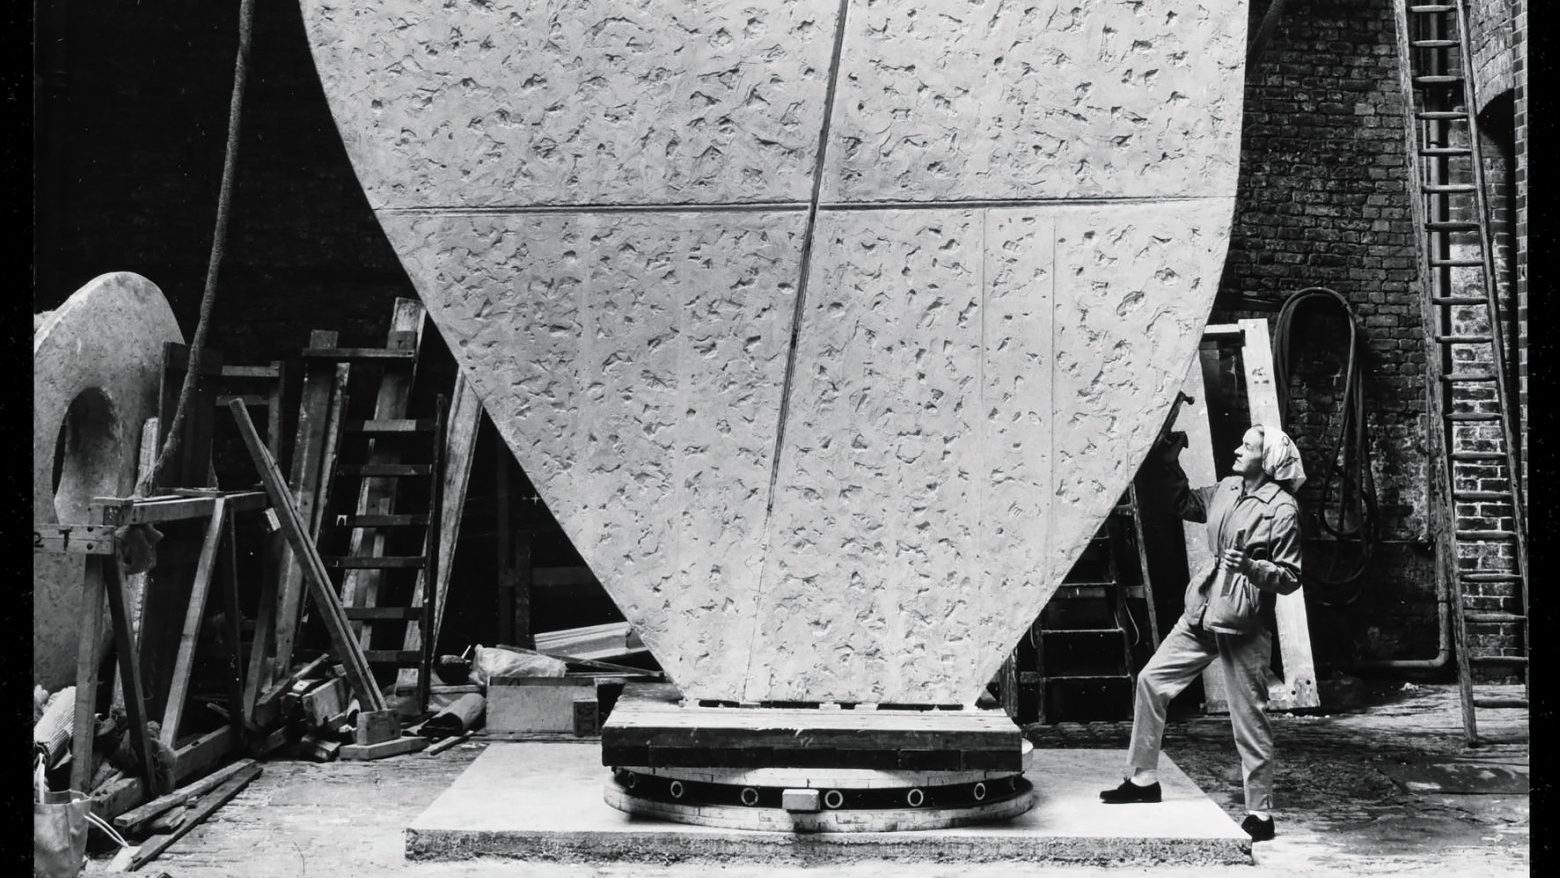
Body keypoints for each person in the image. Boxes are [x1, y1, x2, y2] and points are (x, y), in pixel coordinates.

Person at [1098, 423, 1306, 842]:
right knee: (1152, 681)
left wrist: (1250, 567)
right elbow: (1184, 503)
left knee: (1248, 717)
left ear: (1266, 462)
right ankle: (1143, 781)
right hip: (1204, 608)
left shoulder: (1282, 509)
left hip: (1243, 622)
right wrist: (1169, 461)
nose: (1237, 449)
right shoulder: (1228, 489)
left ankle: (1260, 814)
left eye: (1247, 447)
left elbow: (1290, 577)